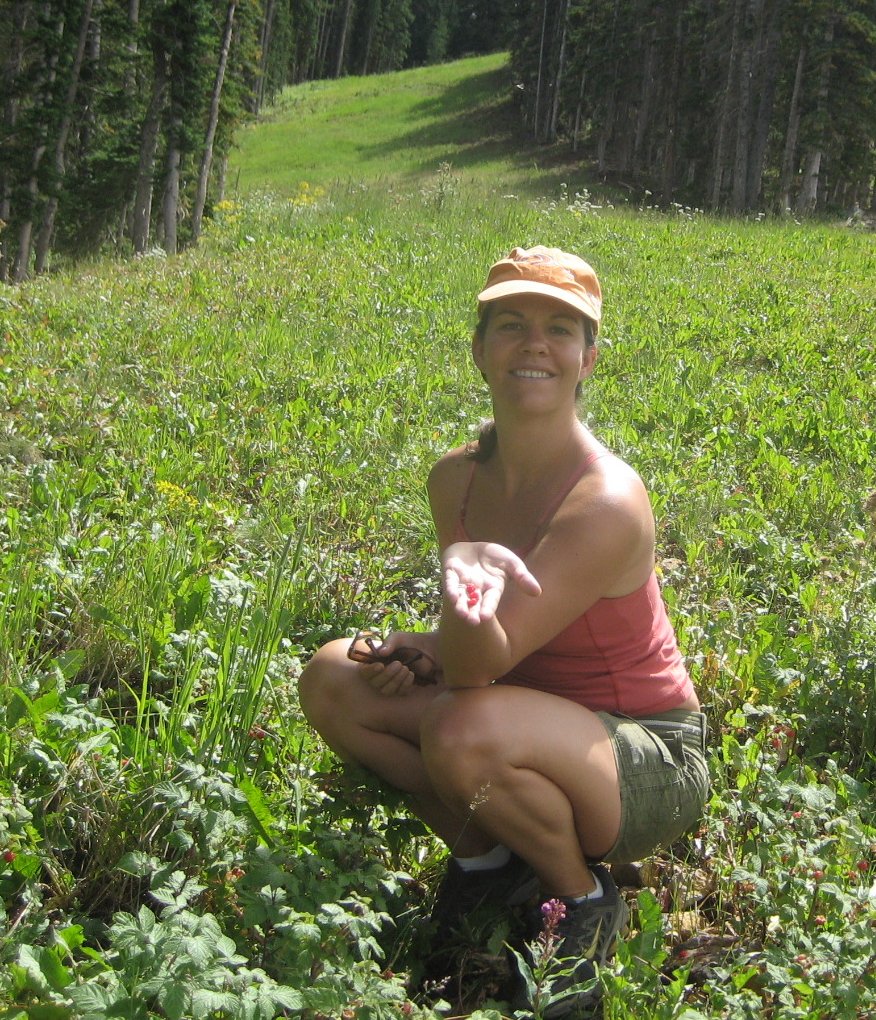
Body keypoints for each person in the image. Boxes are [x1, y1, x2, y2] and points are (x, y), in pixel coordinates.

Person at [298, 246, 709, 1016]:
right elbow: (487, 651)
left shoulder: (606, 500)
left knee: (461, 726)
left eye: (561, 329)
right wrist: (425, 648)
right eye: (512, 324)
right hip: (517, 706)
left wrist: (460, 609)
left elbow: (477, 664)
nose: (535, 344)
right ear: (479, 349)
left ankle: (580, 898)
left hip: (646, 753)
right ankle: (488, 864)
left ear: (588, 359)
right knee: (333, 679)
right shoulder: (455, 478)